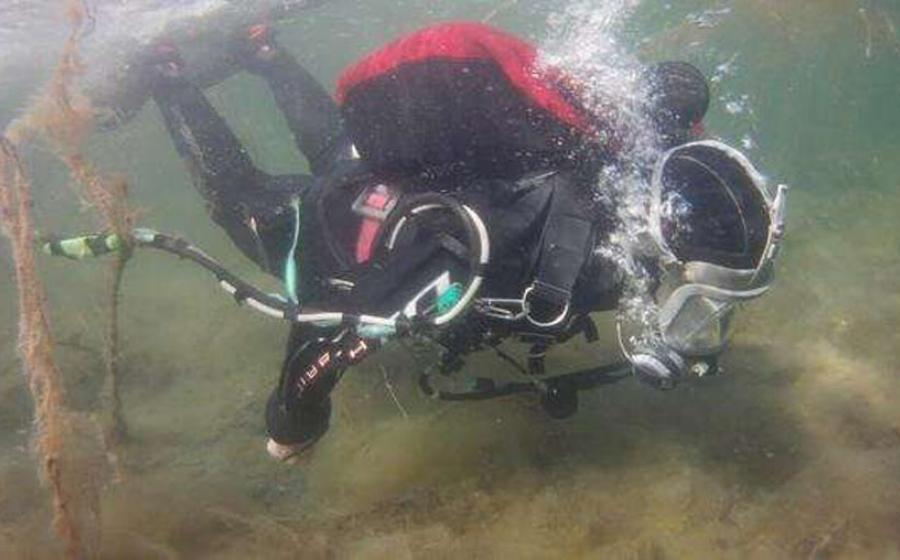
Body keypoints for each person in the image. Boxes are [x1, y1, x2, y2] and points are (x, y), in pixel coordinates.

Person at [141, 21, 783, 463]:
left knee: (339, 146)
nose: (696, 329)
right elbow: (341, 330)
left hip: (393, 172)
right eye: (698, 308)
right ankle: (165, 72)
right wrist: (293, 422)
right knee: (238, 194)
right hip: (335, 232)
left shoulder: (628, 183)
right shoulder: (488, 247)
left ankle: (263, 52)